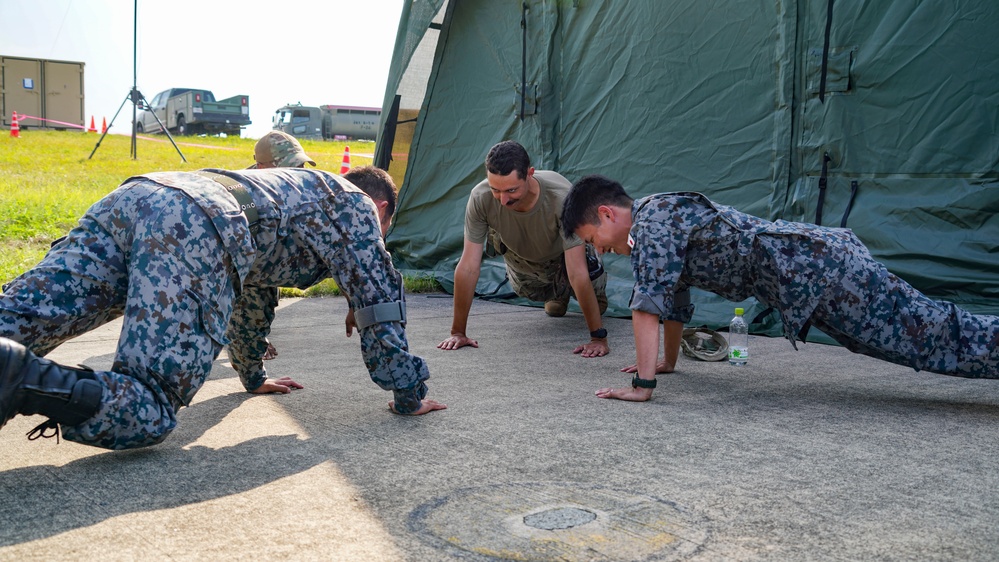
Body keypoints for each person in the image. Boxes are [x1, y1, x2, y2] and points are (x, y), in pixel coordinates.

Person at [0, 165, 445, 450]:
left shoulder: (294, 190)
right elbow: (380, 302)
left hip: (136, 198)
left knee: (20, 317)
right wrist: (407, 396)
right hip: (194, 220)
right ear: (382, 208)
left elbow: (252, 290)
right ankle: (22, 378)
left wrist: (253, 377)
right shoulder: (358, 207)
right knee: (148, 408)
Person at [560, 174, 999, 401]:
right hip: (815, 279)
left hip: (823, 273)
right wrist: (665, 362)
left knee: (929, 335)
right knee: (918, 340)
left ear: (607, 214)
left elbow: (647, 305)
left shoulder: (653, 221)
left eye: (592, 239)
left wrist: (644, 385)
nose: (599, 250)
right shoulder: (657, 224)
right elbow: (673, 296)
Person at [437, 140, 611, 357]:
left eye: (511, 190)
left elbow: (577, 271)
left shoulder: (562, 197)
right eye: (495, 190)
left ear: (530, 174)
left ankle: (586, 294)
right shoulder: (480, 197)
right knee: (527, 291)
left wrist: (598, 337)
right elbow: (469, 266)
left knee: (588, 288)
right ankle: (558, 294)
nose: (503, 200)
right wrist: (458, 332)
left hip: (568, 254)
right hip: (527, 259)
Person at [248, 130, 318, 359]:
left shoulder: (300, 187)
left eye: (299, 166)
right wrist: (252, 338)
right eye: (288, 168)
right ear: (261, 168)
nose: (297, 174)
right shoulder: (244, 198)